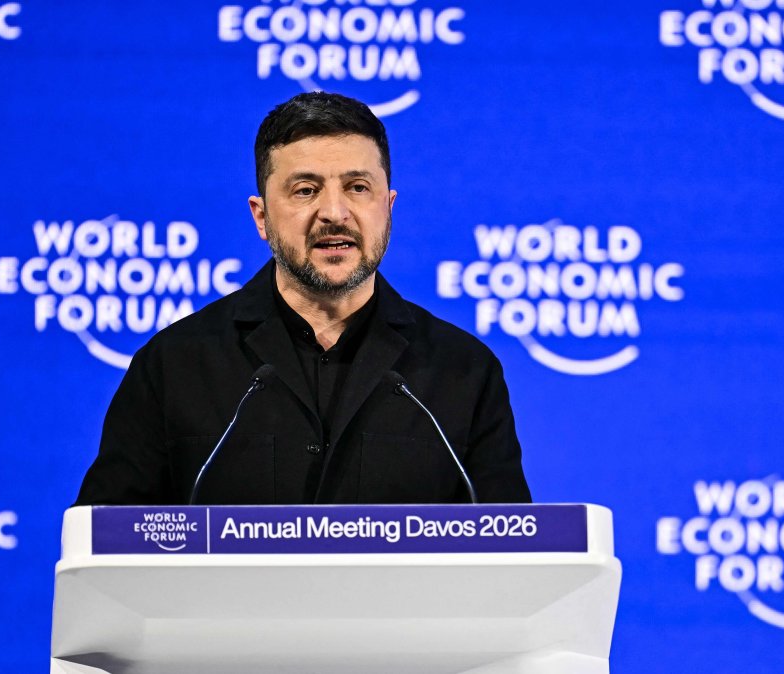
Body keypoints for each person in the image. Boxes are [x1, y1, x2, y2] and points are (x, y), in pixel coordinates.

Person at [76, 92, 530, 505]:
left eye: (357, 187)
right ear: (261, 216)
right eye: (306, 190)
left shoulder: (464, 371)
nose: (334, 213)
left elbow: (513, 557)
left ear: (387, 207)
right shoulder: (173, 366)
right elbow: (107, 552)